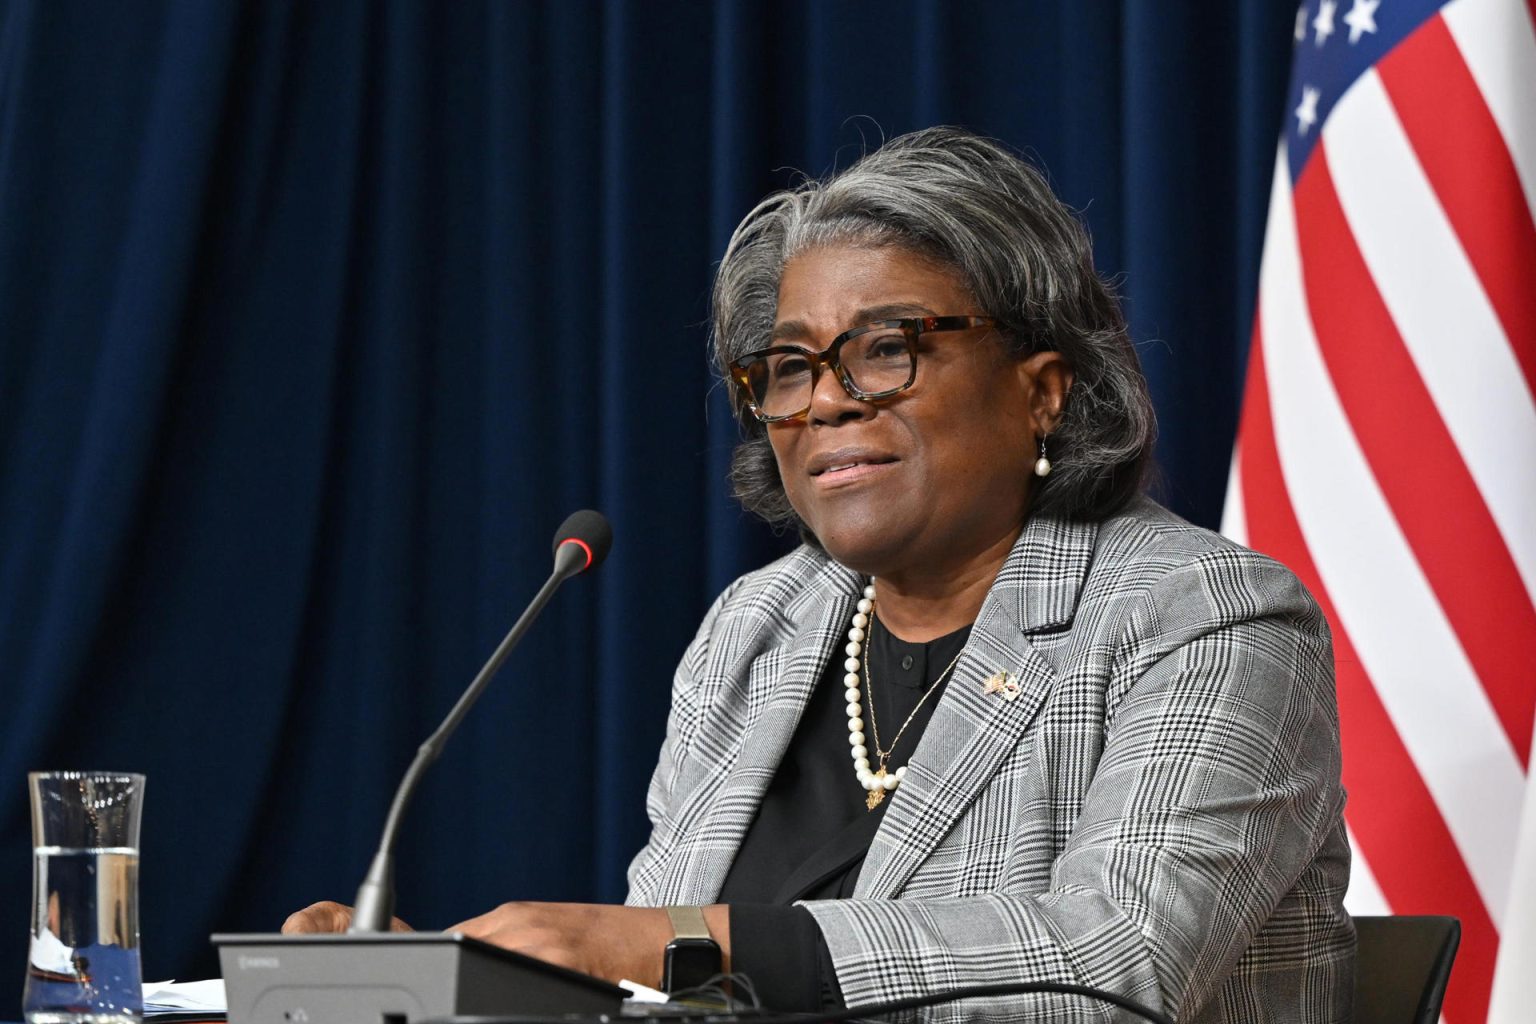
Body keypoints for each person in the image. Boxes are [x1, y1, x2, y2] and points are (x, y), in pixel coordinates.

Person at [286, 126, 1353, 1023]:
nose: (827, 400)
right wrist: (465, 977)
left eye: (886, 347)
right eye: (789, 366)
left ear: (1045, 391)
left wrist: (667, 942)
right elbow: (653, 978)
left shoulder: (1206, 616)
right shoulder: (761, 625)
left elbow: (1116, 961)